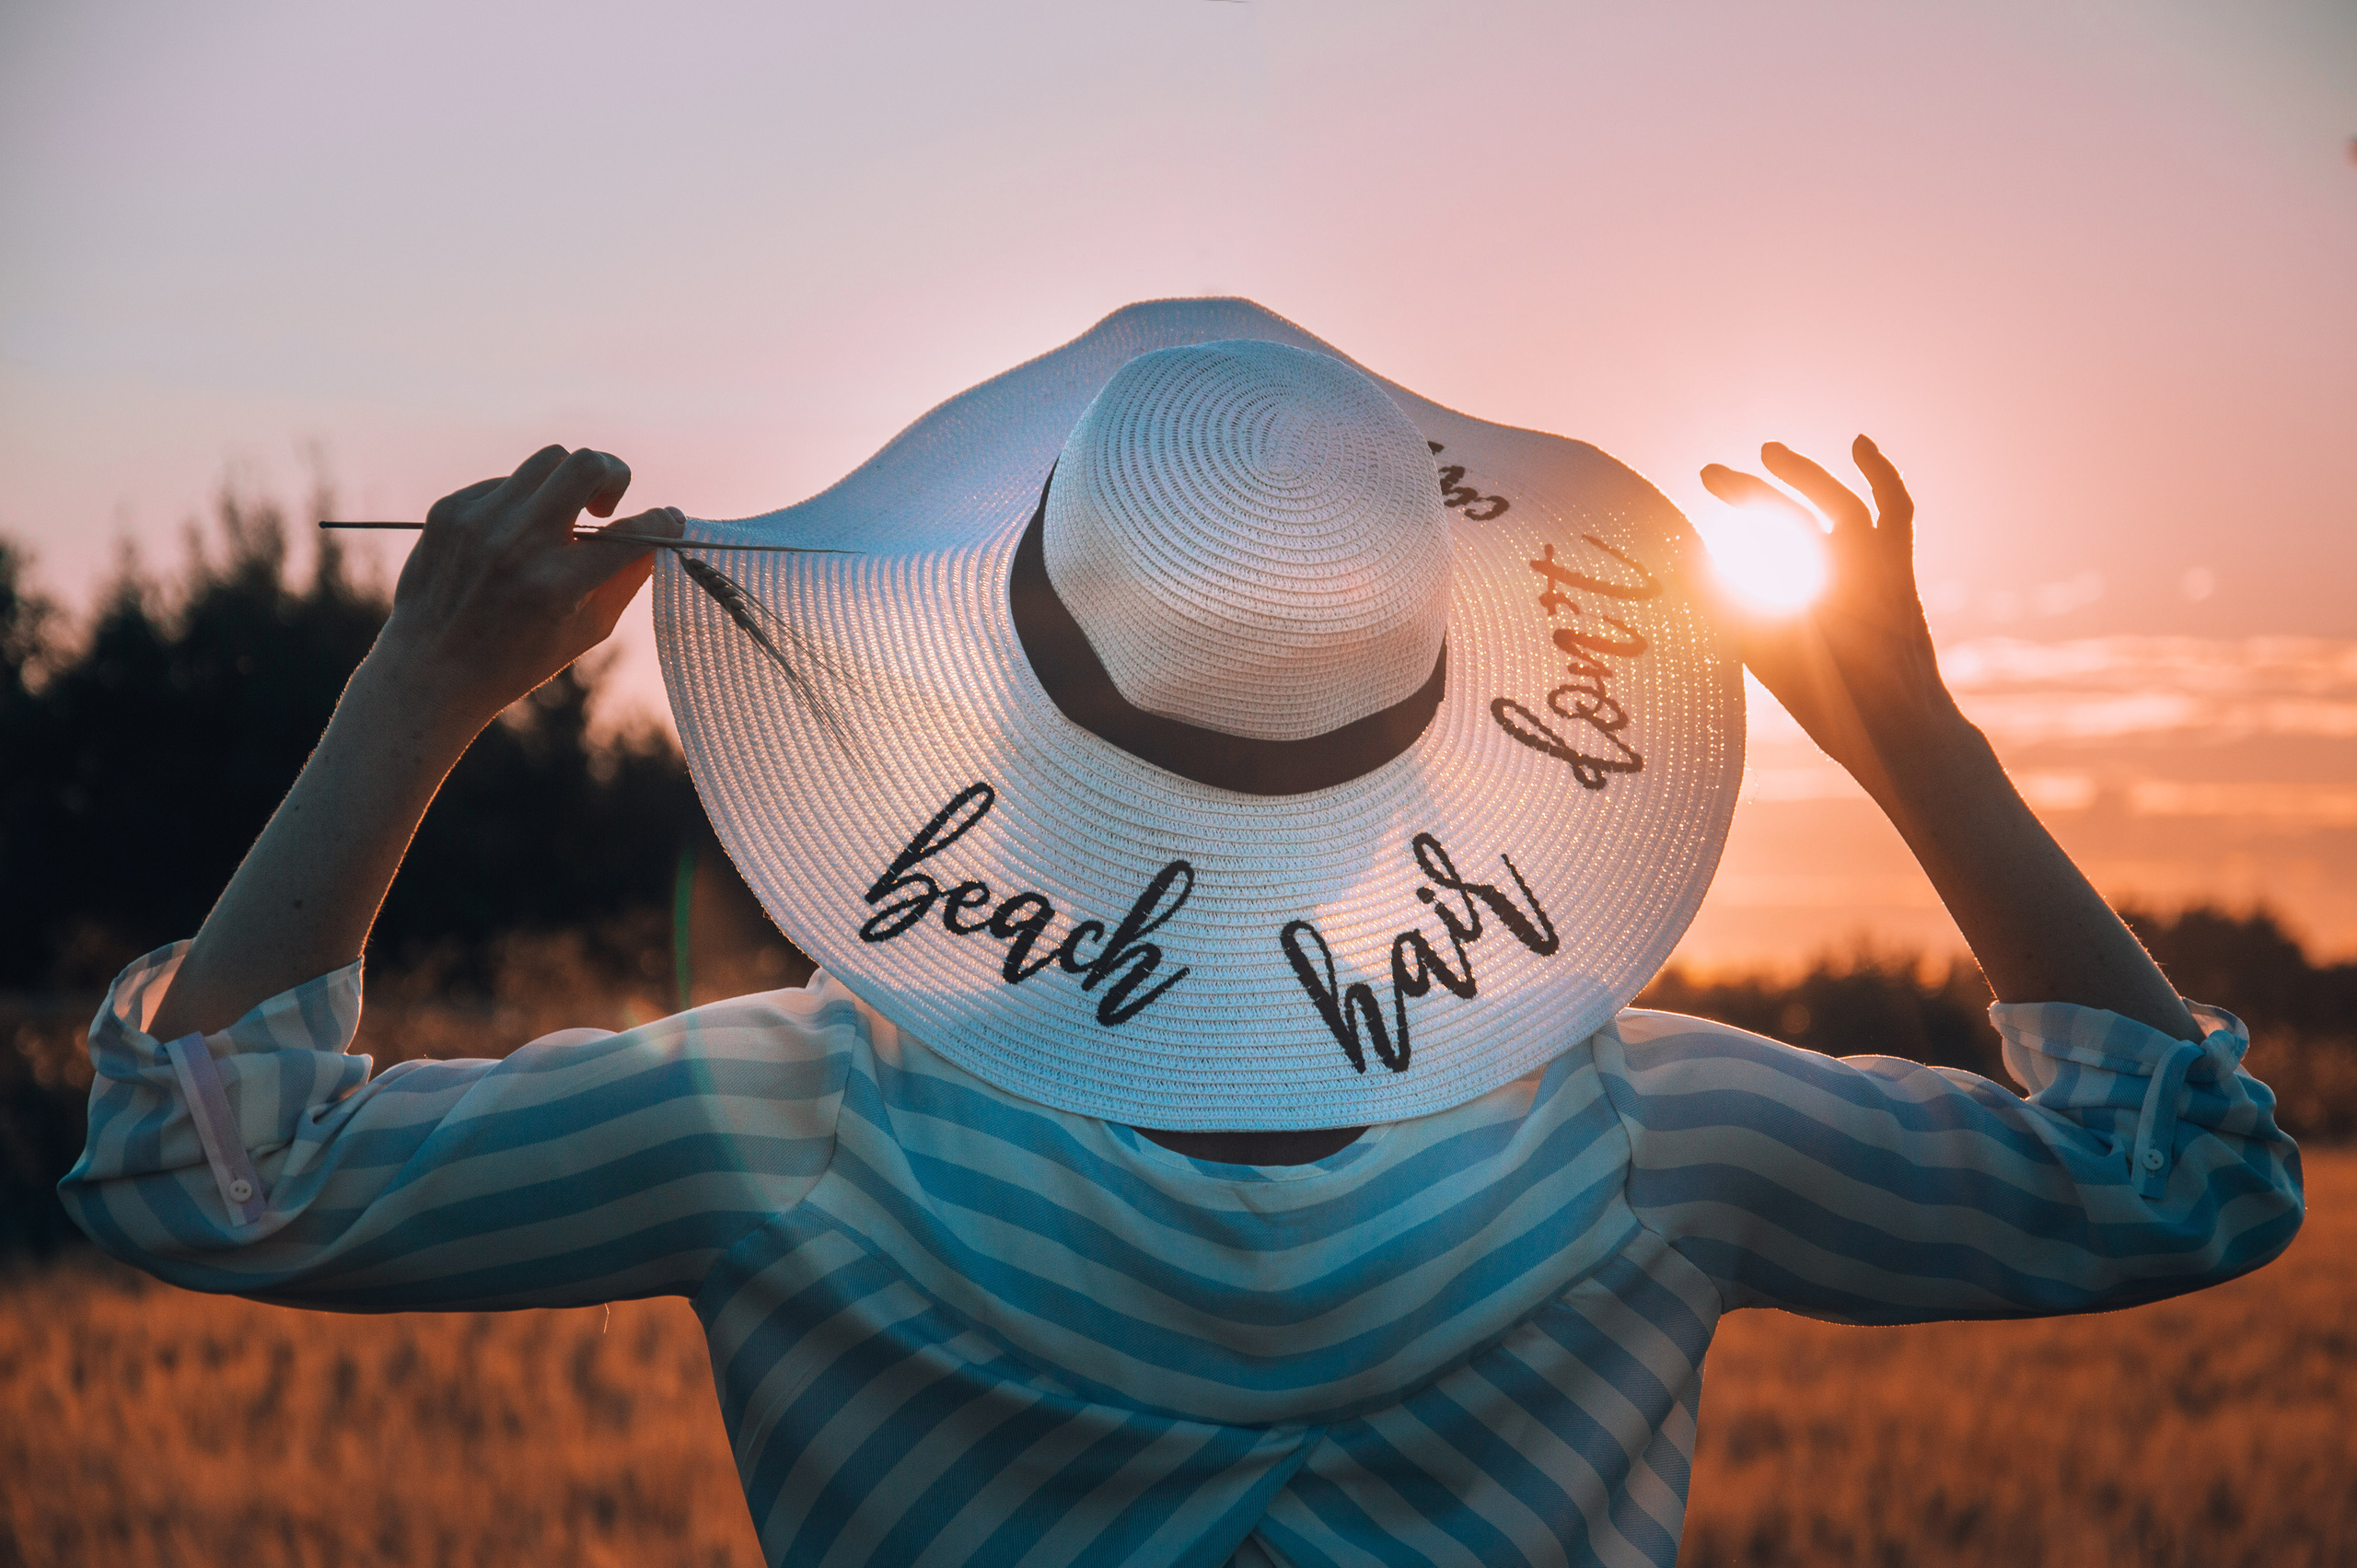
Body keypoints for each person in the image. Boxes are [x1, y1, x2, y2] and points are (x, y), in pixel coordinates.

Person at [64, 301, 2300, 1568]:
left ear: (1010, 721)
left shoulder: (787, 1124)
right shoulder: (1651, 1142)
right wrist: (1907, 735)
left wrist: (415, 694)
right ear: (1426, 764)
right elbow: (2180, 1181)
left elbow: (204, 1167)